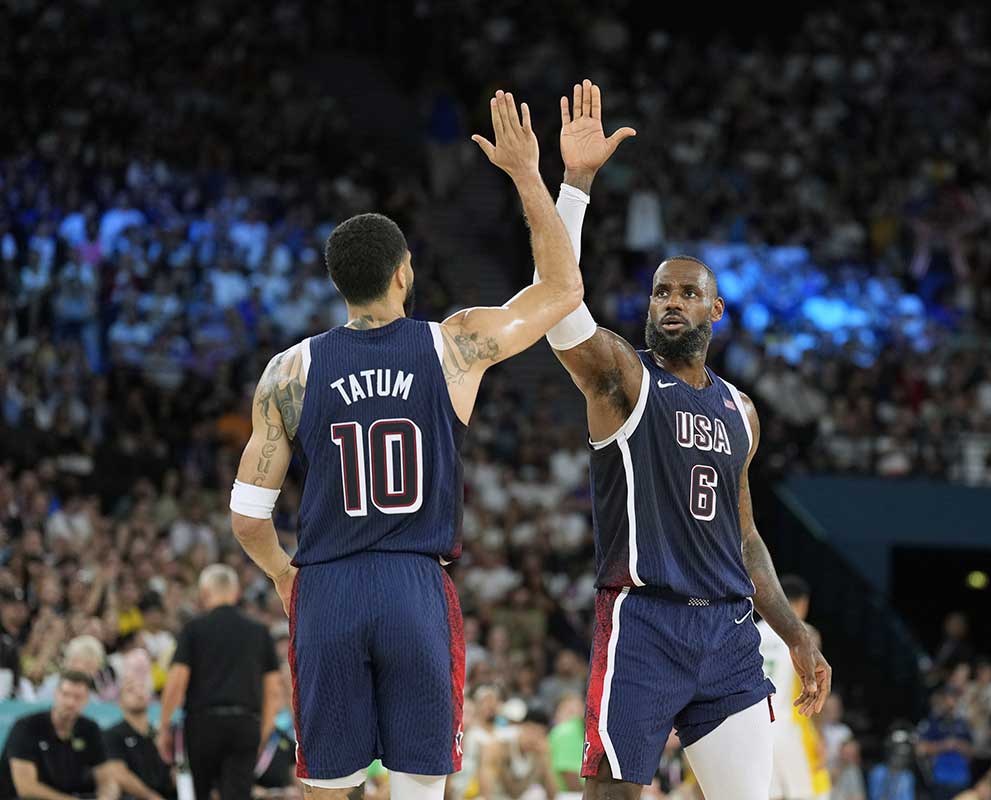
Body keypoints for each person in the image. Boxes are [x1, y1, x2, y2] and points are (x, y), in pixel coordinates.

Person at [227, 87, 584, 800]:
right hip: (414, 584)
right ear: (402, 272)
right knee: (421, 784)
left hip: (325, 583)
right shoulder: (452, 345)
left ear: (340, 285)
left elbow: (245, 518)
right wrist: (526, 174)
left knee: (328, 786)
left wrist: (283, 575)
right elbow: (563, 288)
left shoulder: (289, 370)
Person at [546, 79, 830, 799]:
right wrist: (575, 185)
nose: (670, 302)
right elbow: (557, 308)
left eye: (686, 293)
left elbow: (746, 538)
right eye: (661, 293)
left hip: (731, 636)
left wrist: (794, 634)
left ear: (715, 309)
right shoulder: (624, 381)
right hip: (644, 623)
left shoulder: (741, 409)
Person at [156, 565, 282, 800]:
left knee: (199, 793)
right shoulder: (259, 632)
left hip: (202, 725)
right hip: (245, 724)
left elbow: (176, 683)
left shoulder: (194, 629)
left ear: (204, 593)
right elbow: (274, 691)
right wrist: (262, 733)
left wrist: (163, 727)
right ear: (235, 594)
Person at [0, 670, 122, 800]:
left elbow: (107, 780)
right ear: (56, 694)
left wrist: (106, 796)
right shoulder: (26, 726)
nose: (70, 702)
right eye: (65, 694)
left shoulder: (90, 729)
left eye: (77, 697)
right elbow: (26, 788)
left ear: (87, 700)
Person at [759, 578, 828, 800]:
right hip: (791, 725)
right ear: (802, 603)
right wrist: (820, 735)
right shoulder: (806, 634)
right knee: (813, 793)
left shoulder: (753, 631)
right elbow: (814, 689)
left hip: (759, 726)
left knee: (770, 795)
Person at [104, 656, 173, 800]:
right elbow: (118, 773)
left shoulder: (161, 734)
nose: (138, 692)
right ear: (120, 701)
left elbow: (173, 772)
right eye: (130, 689)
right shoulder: (112, 734)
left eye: (142, 687)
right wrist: (152, 797)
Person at [479, 706, 558, 799]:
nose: (534, 738)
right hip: (497, 796)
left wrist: (546, 760)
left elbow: (552, 795)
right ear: (522, 726)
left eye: (540, 733)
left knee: (537, 793)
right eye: (532, 730)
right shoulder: (500, 743)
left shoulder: (540, 752)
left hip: (519, 796)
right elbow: (485, 781)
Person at [918, 686, 974, 800]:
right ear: (942, 700)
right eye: (948, 698)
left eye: (954, 698)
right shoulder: (932, 722)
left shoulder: (963, 724)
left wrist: (958, 745)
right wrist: (945, 745)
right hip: (940, 779)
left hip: (961, 779)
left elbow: (972, 752)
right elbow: (921, 748)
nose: (951, 702)